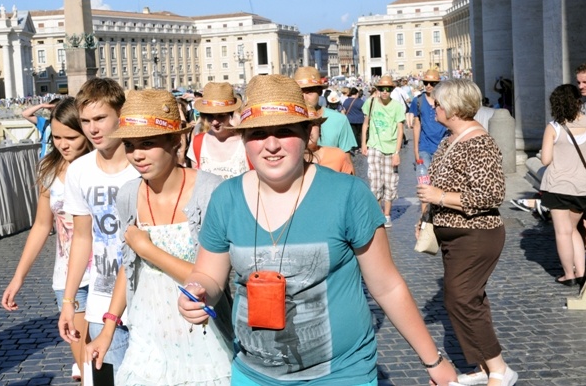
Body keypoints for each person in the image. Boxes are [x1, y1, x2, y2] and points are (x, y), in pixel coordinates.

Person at [177, 74, 457, 386]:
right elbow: (209, 275)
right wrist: (199, 291)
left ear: (307, 132)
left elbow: (387, 286)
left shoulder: (348, 194)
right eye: (257, 133)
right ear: (244, 139)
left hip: (340, 374)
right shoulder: (226, 197)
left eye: (284, 131)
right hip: (255, 374)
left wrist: (434, 361)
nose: (270, 145)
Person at [85, 89, 233, 385]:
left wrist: (148, 250)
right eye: (130, 145)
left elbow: (212, 278)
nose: (137, 155)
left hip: (203, 335)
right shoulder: (129, 194)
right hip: (147, 337)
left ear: (175, 140)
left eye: (148, 143)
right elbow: (129, 266)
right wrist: (108, 329)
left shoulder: (211, 191)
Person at [416, 79, 517, 386]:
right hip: (452, 234)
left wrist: (440, 198)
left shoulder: (479, 143)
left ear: (453, 107)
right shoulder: (450, 140)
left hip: (476, 235)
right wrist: (427, 216)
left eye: (438, 103)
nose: (433, 107)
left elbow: (492, 195)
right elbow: (438, 186)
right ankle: (485, 366)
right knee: (467, 299)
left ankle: (500, 369)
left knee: (460, 298)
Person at [2, 97, 93, 381]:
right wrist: (18, 278)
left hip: (107, 275)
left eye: (71, 137)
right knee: (85, 363)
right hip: (67, 278)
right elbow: (41, 226)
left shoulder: (101, 168)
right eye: (56, 137)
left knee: (111, 357)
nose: (63, 144)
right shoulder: (49, 170)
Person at [58, 78, 139, 377]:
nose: (93, 129)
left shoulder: (141, 164)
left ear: (120, 115)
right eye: (86, 121)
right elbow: (82, 238)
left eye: (101, 118)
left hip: (145, 295)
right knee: (110, 379)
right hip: (101, 298)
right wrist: (68, 301)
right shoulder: (79, 170)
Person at [539, 84, 586, 287]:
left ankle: (569, 274)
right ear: (578, 102)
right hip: (583, 187)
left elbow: (545, 160)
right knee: (574, 229)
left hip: (559, 186)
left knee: (562, 232)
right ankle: (582, 271)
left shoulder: (554, 127)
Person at [361, 75, 405, 228]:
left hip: (391, 148)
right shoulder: (370, 102)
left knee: (390, 183)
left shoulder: (397, 107)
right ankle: (378, 213)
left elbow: (400, 130)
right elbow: (365, 124)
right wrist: (363, 144)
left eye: (388, 89)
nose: (384, 92)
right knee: (375, 182)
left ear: (392, 90)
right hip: (374, 145)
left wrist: (397, 152)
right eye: (381, 89)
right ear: (377, 90)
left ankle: (387, 215)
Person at [187, 82, 250, 179]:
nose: (215, 122)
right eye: (210, 116)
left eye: (221, 116)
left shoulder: (246, 142)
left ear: (231, 114)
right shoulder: (197, 143)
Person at [294, 67, 357, 153]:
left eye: (309, 92)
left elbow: (346, 161)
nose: (304, 98)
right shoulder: (286, 122)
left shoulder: (339, 120)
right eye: (299, 92)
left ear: (320, 92)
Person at [408, 69, 448, 169]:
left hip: (443, 147)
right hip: (424, 147)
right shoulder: (418, 100)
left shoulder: (447, 100)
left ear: (439, 84)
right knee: (425, 179)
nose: (428, 86)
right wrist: (416, 152)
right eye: (426, 83)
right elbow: (416, 126)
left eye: (432, 83)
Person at [306, 108, 354, 174]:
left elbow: (350, 181)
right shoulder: (288, 161)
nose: (309, 129)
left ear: (319, 128)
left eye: (313, 124)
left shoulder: (337, 156)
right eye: (303, 125)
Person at [342, 87, 365, 152]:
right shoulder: (360, 101)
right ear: (357, 93)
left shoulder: (346, 101)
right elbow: (364, 110)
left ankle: (353, 147)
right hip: (360, 120)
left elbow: (344, 110)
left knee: (352, 133)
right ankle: (359, 146)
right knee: (359, 134)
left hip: (350, 120)